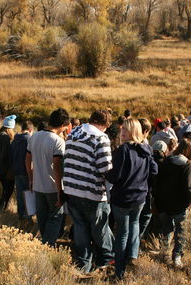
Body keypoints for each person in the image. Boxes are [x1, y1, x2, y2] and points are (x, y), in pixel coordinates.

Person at [63, 110, 114, 272]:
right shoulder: (100, 137)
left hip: (72, 189)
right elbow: (105, 168)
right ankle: (106, 261)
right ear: (104, 124)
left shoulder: (73, 134)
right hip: (93, 192)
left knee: (80, 228)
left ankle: (83, 264)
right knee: (100, 229)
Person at [106, 118, 158, 279]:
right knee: (134, 224)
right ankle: (132, 255)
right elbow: (154, 171)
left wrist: (105, 173)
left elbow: (115, 176)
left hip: (123, 197)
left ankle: (119, 271)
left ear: (133, 132)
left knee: (122, 232)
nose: (122, 133)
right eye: (122, 130)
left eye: (126, 131)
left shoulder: (123, 151)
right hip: (140, 197)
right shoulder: (146, 149)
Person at [153, 139, 191, 268]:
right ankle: (177, 257)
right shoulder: (187, 165)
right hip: (179, 205)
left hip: (163, 203)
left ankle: (164, 252)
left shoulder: (166, 161)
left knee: (167, 229)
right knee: (181, 231)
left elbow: (157, 182)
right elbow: (188, 187)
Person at [26, 108, 70, 246]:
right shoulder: (58, 142)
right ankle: (48, 246)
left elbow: (27, 160)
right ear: (63, 125)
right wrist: (60, 191)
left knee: (42, 219)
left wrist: (31, 179)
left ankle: (44, 244)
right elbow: (57, 168)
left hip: (38, 186)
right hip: (52, 188)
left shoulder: (34, 136)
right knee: (55, 218)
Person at [10, 120, 34, 221]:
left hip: (16, 171)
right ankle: (28, 217)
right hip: (27, 172)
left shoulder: (15, 140)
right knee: (29, 195)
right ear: (30, 130)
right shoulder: (30, 140)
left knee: (20, 195)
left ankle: (21, 216)